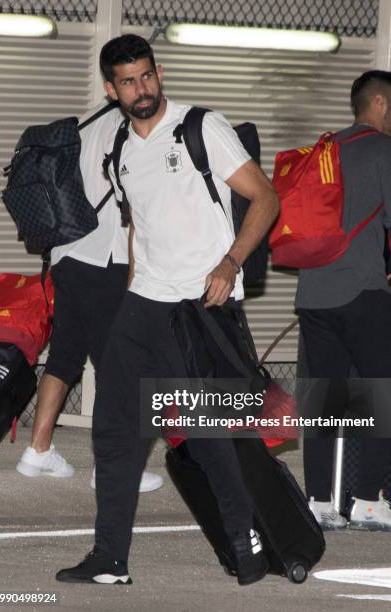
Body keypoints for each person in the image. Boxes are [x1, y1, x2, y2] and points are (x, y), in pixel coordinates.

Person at [55, 34, 279, 586]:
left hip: (201, 302)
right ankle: (110, 557)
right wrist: (131, 292)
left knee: (203, 432)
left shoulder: (202, 127)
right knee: (112, 427)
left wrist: (230, 263)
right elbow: (140, 229)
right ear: (112, 91)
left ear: (158, 74)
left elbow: (266, 197)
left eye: (148, 75)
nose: (142, 89)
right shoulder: (120, 151)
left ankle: (246, 544)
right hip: (145, 302)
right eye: (129, 81)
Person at [15, 100, 163, 494]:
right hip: (104, 258)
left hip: (65, 253)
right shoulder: (130, 128)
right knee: (119, 364)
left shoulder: (81, 123)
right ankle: (111, 466)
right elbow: (134, 199)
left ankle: (38, 450)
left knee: (65, 354)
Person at [296, 70, 391, 530]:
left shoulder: (325, 150)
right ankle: (367, 500)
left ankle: (317, 501)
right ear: (381, 103)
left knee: (322, 395)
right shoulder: (383, 149)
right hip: (363, 291)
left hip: (313, 293)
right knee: (380, 392)